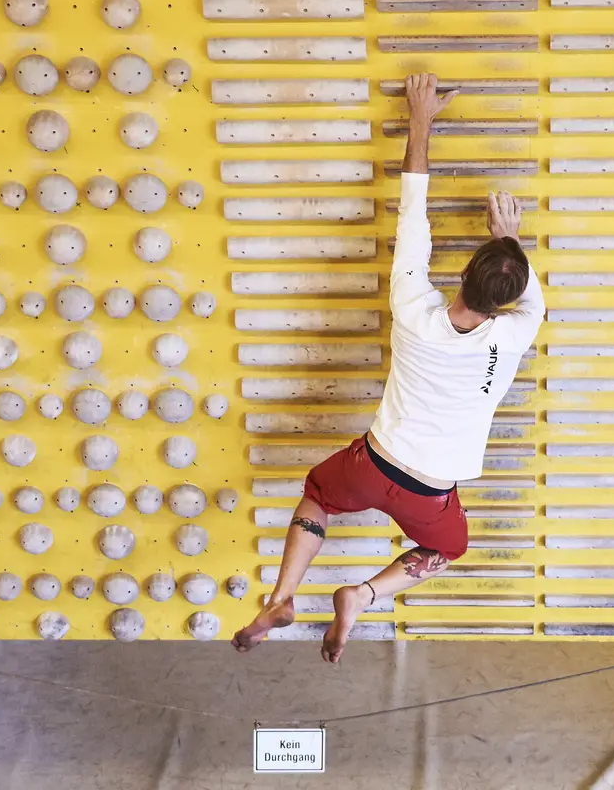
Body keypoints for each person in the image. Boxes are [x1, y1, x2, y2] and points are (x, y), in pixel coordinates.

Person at [232, 72, 546, 663]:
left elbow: (414, 209)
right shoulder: (514, 334)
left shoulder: (412, 307)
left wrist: (420, 119)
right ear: (508, 300)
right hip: (429, 494)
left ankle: (281, 596)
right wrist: (510, 241)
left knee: (317, 496)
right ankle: (363, 594)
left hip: (373, 463)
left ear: (463, 273)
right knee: (447, 549)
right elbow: (531, 298)